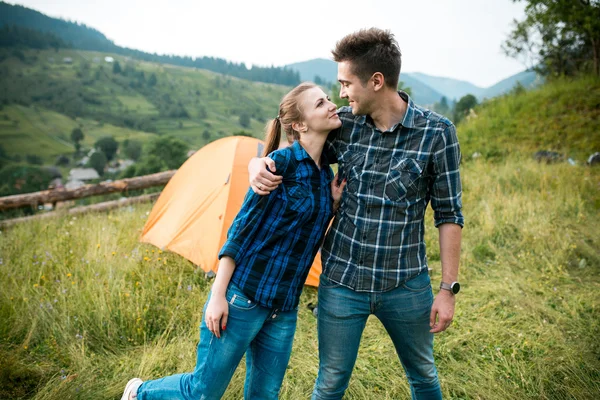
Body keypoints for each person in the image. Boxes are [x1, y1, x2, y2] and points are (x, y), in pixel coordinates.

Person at [248, 28, 464, 400]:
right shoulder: (343, 126)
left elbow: (449, 214)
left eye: (346, 84)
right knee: (330, 382)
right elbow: (295, 149)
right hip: (341, 282)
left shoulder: (437, 134)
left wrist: (447, 290)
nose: (342, 95)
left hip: (406, 284)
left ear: (376, 81)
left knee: (424, 377)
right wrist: (258, 162)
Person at [121, 82, 346, 400]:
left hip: (283, 307)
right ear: (299, 124)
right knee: (203, 392)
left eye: (328, 99)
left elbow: (305, 234)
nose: (331, 104)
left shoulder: (325, 174)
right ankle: (139, 393)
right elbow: (239, 232)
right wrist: (218, 296)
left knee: (264, 395)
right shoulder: (277, 166)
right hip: (244, 297)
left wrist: (333, 206)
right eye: (321, 103)